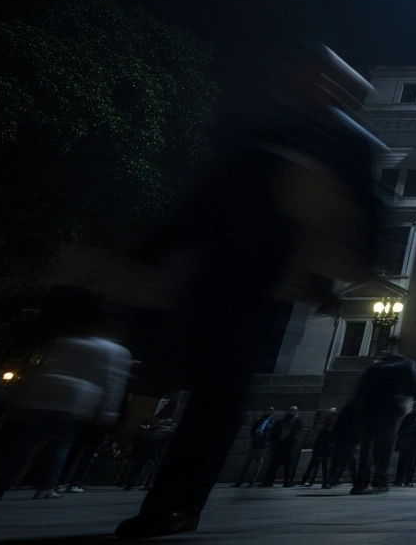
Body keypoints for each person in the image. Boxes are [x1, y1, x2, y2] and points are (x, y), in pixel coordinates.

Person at [114, 46, 383, 538]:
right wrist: (150, 252)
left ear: (346, 92)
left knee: (219, 392)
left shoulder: (349, 145)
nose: (312, 80)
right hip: (217, 271)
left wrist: (342, 276)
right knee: (203, 387)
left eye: (327, 77)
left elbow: (361, 217)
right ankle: (169, 502)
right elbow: (208, 197)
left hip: (263, 278)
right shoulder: (267, 129)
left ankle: (176, 504)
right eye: (312, 72)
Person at [0, 297, 133, 501]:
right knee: (60, 444)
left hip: (43, 396)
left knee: (25, 444)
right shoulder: (115, 351)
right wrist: (107, 411)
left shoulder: (64, 342)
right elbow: (111, 382)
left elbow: (39, 369)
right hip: (74, 401)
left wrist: (20, 399)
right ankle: (46, 487)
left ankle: (2, 485)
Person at [352, 353, 416, 495]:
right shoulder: (403, 367)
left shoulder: (374, 368)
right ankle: (379, 481)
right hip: (387, 412)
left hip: (368, 411)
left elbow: (359, 392)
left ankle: (360, 483)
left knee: (365, 449)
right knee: (383, 448)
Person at [259, 405, 302, 487]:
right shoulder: (282, 421)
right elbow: (275, 432)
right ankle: (268, 482)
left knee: (288, 465)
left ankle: (287, 482)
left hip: (288, 446)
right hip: (280, 445)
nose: (292, 412)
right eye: (291, 410)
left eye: (293, 410)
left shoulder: (297, 421)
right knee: (274, 464)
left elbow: (297, 433)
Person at [233, 408, 275, 487]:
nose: (267, 412)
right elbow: (253, 429)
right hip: (254, 443)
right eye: (266, 410)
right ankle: (239, 481)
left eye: (269, 410)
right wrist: (253, 436)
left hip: (262, 445)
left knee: (257, 465)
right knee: (246, 463)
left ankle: (252, 481)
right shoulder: (260, 420)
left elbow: (272, 434)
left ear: (271, 412)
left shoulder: (272, 422)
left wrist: (266, 441)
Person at [323, 401, 360, 489]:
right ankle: (356, 483)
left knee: (338, 463)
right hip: (349, 443)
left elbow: (335, 430)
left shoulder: (341, 418)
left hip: (341, 443)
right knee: (352, 464)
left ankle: (329, 481)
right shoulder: (355, 419)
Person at [393, 400, 416, 487]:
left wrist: (397, 444)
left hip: (406, 441)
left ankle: (399, 480)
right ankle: (408, 480)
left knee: (402, 461)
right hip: (414, 441)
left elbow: (400, 431)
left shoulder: (408, 416)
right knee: (411, 462)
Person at [298, 409, 335, 487]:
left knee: (313, 468)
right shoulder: (328, 431)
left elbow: (319, 442)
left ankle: (306, 481)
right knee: (323, 469)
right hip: (324, 452)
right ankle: (324, 483)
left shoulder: (323, 431)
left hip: (318, 451)